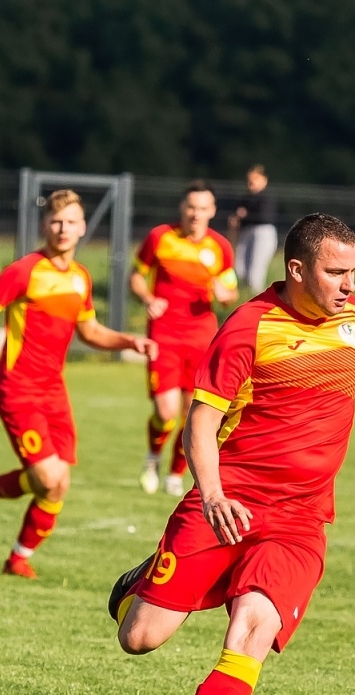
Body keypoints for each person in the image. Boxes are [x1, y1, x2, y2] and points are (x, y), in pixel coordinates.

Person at [107, 213, 355, 695]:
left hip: (300, 520)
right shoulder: (249, 328)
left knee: (253, 624)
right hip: (227, 503)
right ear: (297, 269)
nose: (349, 285)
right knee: (141, 637)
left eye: (354, 271)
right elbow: (200, 421)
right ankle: (143, 580)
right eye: (336, 272)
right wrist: (211, 494)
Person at [0, 189, 157, 579]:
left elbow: (90, 331)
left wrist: (128, 340)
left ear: (82, 228)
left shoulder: (81, 278)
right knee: (49, 477)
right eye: (55, 221)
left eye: (70, 222)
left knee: (54, 484)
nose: (62, 229)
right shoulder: (24, 271)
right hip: (16, 388)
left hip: (54, 391)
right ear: (44, 225)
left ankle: (12, 549)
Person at [130, 180, 239, 496]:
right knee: (165, 412)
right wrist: (148, 298)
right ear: (182, 208)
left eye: (203, 208)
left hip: (202, 338)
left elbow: (229, 291)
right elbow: (136, 275)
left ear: (212, 211)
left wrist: (225, 293)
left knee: (193, 414)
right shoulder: (160, 237)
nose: (196, 213)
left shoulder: (220, 247)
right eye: (191, 207)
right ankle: (152, 457)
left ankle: (176, 474)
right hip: (163, 336)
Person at [228, 165, 279, 293]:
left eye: (255, 178)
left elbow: (264, 217)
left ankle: (255, 297)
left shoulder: (266, 198)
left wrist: (244, 216)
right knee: (239, 268)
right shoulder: (245, 198)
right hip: (246, 233)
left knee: (255, 271)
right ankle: (245, 295)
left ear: (264, 180)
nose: (251, 182)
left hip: (262, 233)